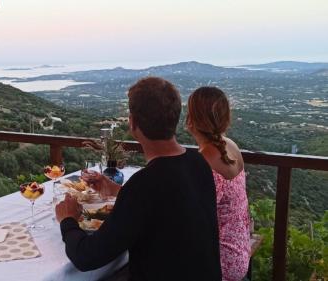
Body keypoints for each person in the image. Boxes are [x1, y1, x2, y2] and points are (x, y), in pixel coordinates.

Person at [55, 77, 222, 281]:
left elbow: (86, 257)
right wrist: (118, 190)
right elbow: (167, 206)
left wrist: (68, 220)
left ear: (133, 124)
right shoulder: (197, 163)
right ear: (176, 118)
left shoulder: (145, 184)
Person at [186, 86, 251, 281]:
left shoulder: (205, 160)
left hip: (220, 261)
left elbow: (191, 219)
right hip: (239, 251)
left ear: (192, 119)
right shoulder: (230, 145)